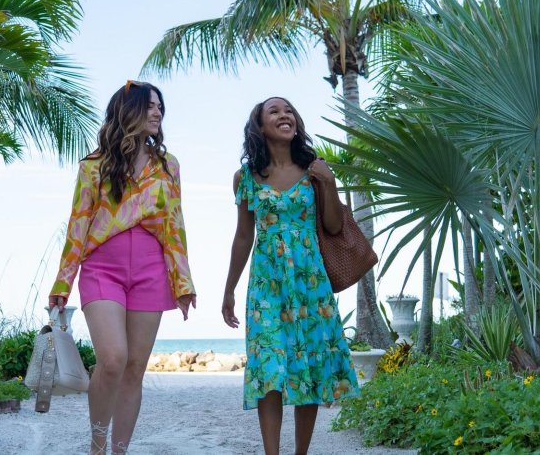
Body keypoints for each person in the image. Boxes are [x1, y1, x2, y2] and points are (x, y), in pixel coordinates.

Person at [47, 80, 196, 455]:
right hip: (102, 270)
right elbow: (78, 223)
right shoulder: (94, 165)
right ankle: (97, 445)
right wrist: (63, 281)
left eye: (160, 106)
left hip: (151, 271)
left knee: (134, 369)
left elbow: (174, 224)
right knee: (112, 359)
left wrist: (183, 282)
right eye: (149, 106)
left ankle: (119, 451)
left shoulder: (168, 166)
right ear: (127, 110)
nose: (157, 112)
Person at [222, 96, 360, 455]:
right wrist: (229, 291)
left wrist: (328, 183)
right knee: (268, 368)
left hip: (309, 283)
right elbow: (242, 236)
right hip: (267, 284)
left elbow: (331, 225)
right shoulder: (246, 178)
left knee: (308, 367)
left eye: (289, 110)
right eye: (274, 111)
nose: (285, 115)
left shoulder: (315, 170)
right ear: (260, 127)